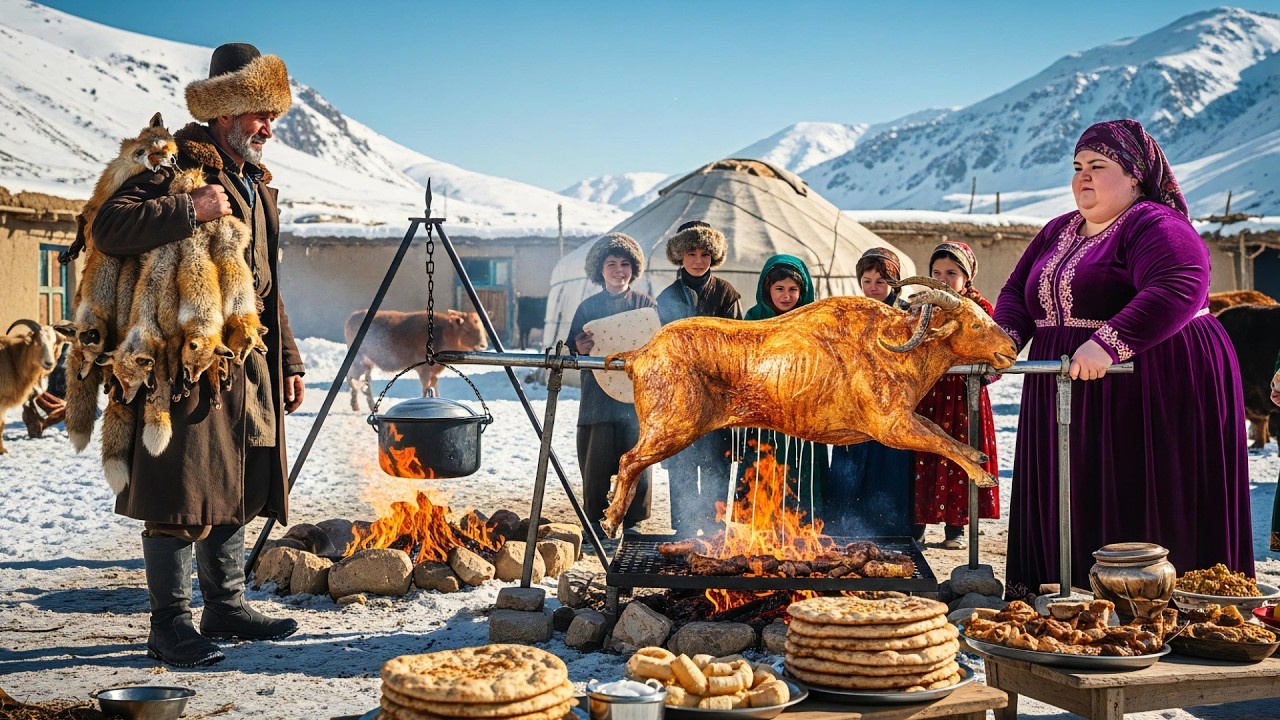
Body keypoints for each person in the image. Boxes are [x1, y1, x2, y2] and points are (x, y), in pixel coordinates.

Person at [92, 43, 304, 666]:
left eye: (272, 116)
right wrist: (192, 206)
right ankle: (170, 625)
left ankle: (226, 605)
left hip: (244, 364)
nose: (267, 128)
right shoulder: (175, 164)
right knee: (180, 493)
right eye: (260, 114)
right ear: (227, 110)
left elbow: (267, 283)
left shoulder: (257, 184)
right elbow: (109, 225)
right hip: (179, 362)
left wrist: (286, 358)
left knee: (235, 482)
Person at [993, 118, 1253, 598]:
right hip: (1066, 383)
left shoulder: (1154, 223)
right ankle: (1064, 595)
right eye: (1077, 166)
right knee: (1072, 493)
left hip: (1150, 381)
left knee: (1136, 493)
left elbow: (1179, 284)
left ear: (1135, 175)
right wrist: (1003, 341)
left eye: (1098, 165)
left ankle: (1152, 605)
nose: (1083, 176)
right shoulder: (1057, 230)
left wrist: (1110, 342)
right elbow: (1015, 292)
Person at [566, 232, 657, 538]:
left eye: (625, 264)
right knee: (595, 465)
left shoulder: (646, 306)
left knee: (636, 464)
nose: (619, 270)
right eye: (611, 264)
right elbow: (571, 348)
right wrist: (579, 346)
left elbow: (659, 346)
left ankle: (632, 523)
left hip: (636, 400)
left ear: (634, 269)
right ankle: (594, 524)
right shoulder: (588, 309)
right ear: (600, 270)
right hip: (598, 401)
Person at [909, 242, 1000, 550]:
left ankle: (956, 527)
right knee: (923, 456)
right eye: (936, 273)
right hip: (927, 396)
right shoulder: (921, 308)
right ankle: (916, 524)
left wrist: (981, 375)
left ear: (967, 277)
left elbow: (996, 352)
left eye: (951, 273)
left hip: (964, 398)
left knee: (960, 457)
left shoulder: (980, 310)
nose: (943, 279)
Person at [655, 221, 742, 535]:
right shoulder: (665, 298)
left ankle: (718, 532)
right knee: (682, 466)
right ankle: (685, 532)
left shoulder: (727, 294)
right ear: (680, 256)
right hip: (681, 399)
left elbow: (738, 346)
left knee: (717, 465)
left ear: (713, 257)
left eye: (705, 253)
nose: (698, 260)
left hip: (719, 398)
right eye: (691, 252)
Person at [825, 248, 913, 537]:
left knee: (888, 468)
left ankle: (891, 533)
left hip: (891, 407)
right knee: (850, 467)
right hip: (854, 405)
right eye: (867, 280)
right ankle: (843, 531)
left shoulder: (907, 314)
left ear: (895, 282)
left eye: (881, 280)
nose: (873, 288)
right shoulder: (850, 312)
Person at [736, 254, 828, 522]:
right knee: (764, 465)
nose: (786, 296)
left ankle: (805, 525)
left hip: (805, 412)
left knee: (804, 469)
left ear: (803, 291)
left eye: (793, 289)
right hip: (766, 412)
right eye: (779, 289)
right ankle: (760, 525)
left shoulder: (813, 320)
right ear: (768, 289)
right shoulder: (754, 318)